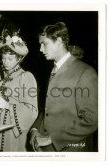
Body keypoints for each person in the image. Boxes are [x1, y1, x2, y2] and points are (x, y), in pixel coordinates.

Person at [30, 22, 98, 152]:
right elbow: (47, 111)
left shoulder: (85, 72)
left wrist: (52, 139)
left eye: (44, 43)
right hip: (47, 149)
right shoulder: (53, 70)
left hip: (71, 150)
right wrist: (34, 129)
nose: (40, 49)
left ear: (59, 41)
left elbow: (92, 119)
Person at [0, 29, 38, 151]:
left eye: (10, 59)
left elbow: (32, 111)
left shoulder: (26, 77)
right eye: (3, 58)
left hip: (14, 129)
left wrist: (7, 105)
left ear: (19, 59)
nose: (5, 62)